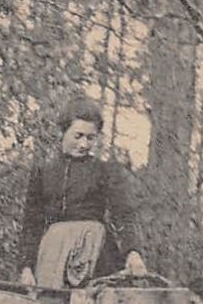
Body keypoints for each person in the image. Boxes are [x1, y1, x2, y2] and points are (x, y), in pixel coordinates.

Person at [19, 97, 141, 287]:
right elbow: (31, 223)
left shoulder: (105, 171)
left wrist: (132, 251)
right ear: (63, 132)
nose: (84, 144)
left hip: (95, 251)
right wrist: (26, 267)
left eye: (90, 138)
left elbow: (123, 214)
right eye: (78, 136)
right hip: (53, 252)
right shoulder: (43, 172)